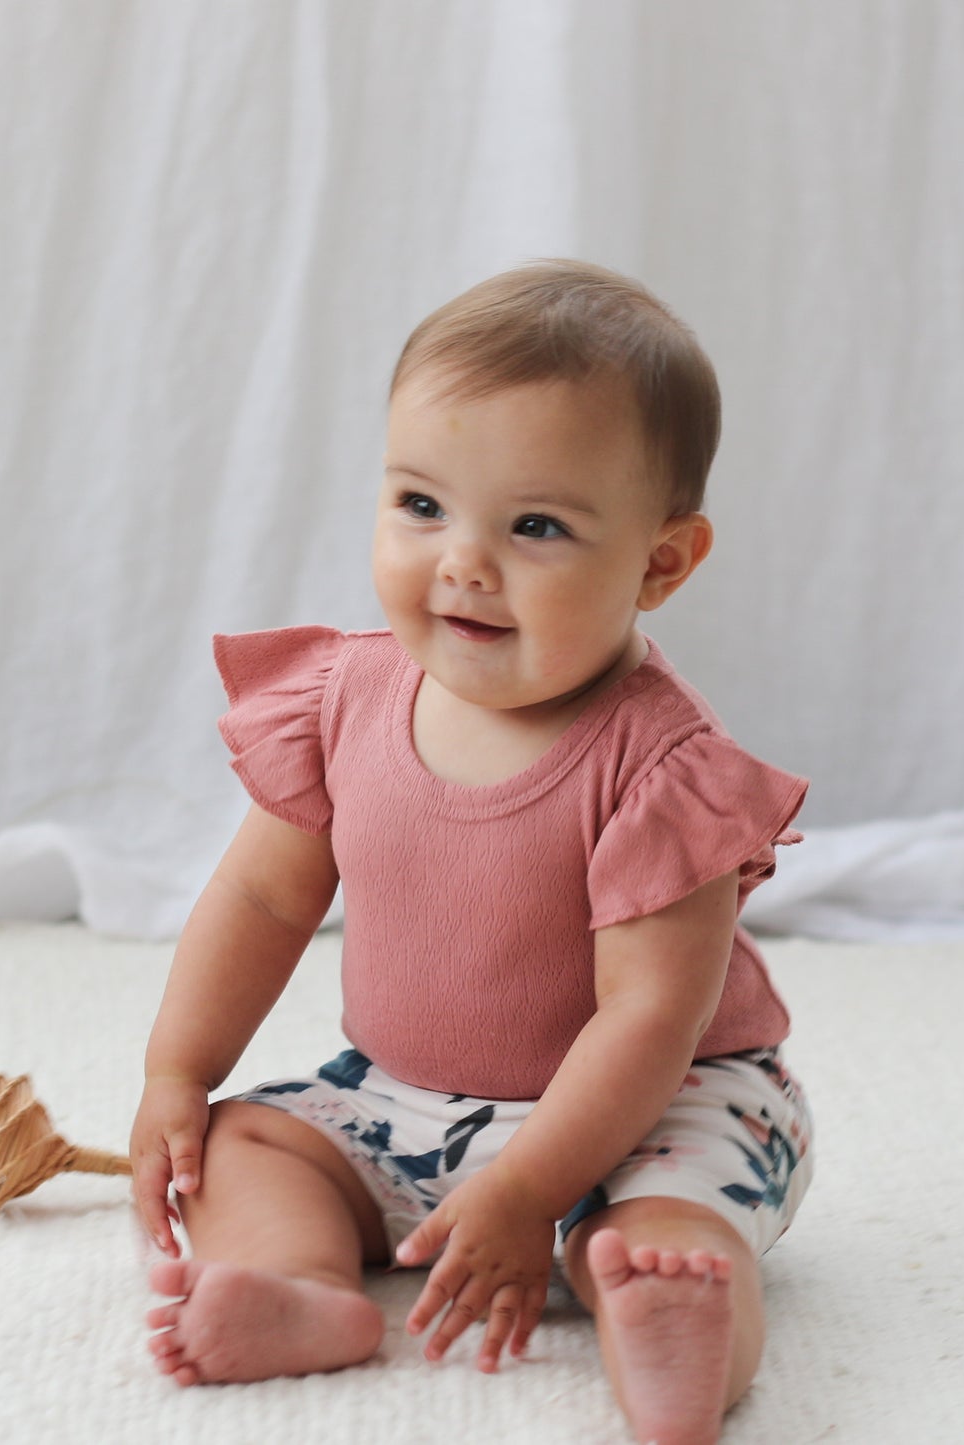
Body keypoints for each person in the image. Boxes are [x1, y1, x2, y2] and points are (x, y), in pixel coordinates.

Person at [130, 260, 813, 1445]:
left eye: (534, 525)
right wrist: (176, 1073)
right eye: (419, 505)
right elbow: (258, 894)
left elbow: (647, 1020)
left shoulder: (660, 767)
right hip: (402, 1095)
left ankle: (672, 1325)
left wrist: (528, 1189)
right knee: (254, 1141)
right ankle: (299, 1288)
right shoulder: (343, 697)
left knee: (664, 1221)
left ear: (661, 560)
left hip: (653, 1102)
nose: (461, 561)